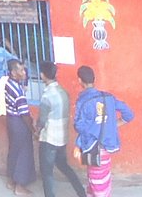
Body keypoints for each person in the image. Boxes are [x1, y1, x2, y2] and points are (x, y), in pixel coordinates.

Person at [73, 64, 133, 197]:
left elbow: (78, 126)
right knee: (101, 179)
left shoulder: (83, 101)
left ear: (80, 81)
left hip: (91, 146)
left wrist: (78, 144)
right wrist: (113, 124)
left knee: (97, 182)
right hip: (107, 146)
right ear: (94, 80)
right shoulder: (109, 98)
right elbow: (129, 114)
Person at [37, 62, 86, 197]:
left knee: (47, 173)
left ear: (42, 75)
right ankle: (81, 192)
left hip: (49, 138)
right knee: (64, 166)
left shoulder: (47, 96)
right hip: (62, 137)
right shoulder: (63, 91)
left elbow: (42, 120)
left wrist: (36, 132)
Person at [0, 58, 36, 196]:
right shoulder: (18, 91)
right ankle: (20, 186)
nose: (24, 72)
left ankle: (11, 180)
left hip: (11, 120)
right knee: (23, 153)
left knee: (14, 150)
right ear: (13, 73)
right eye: (20, 70)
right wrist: (32, 128)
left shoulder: (8, 83)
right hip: (19, 123)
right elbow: (24, 114)